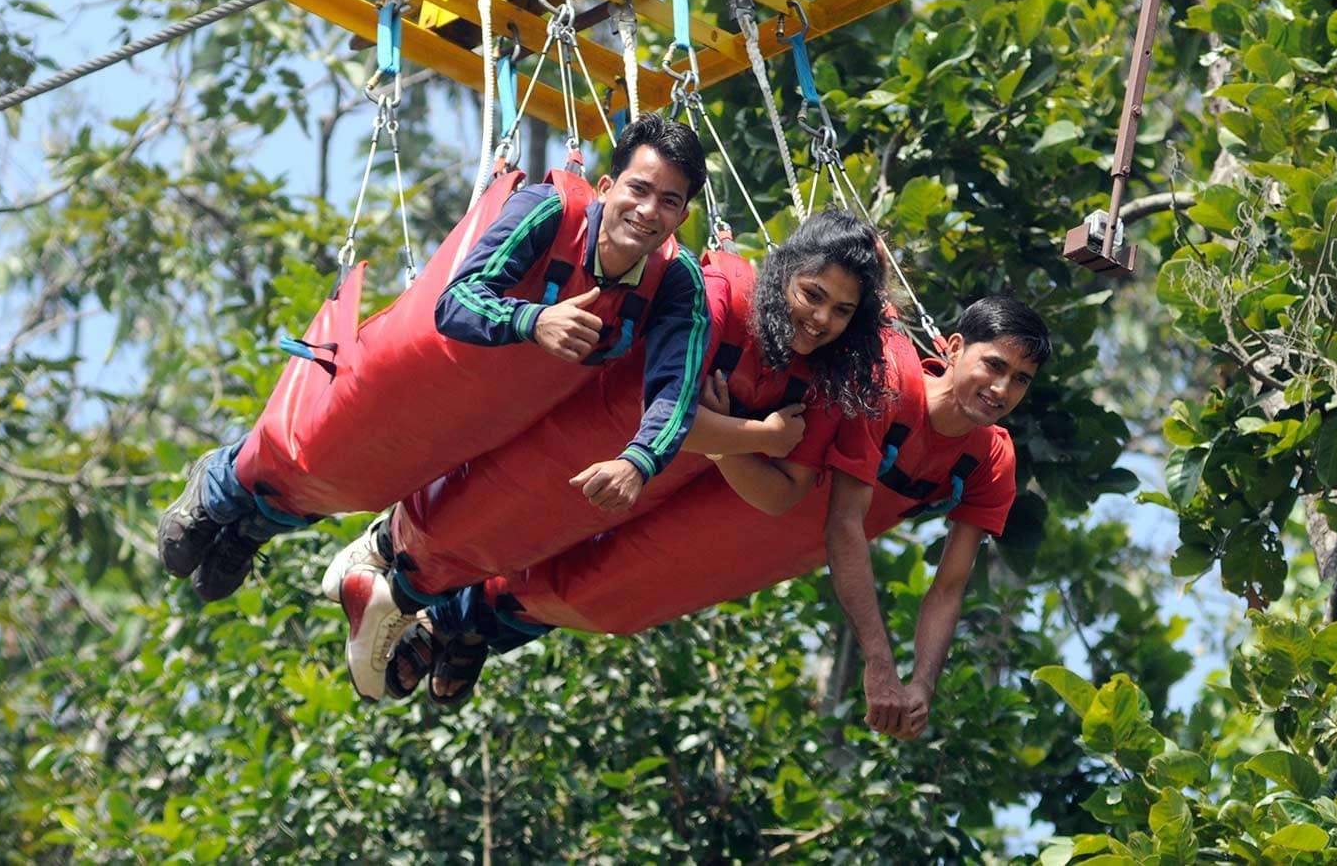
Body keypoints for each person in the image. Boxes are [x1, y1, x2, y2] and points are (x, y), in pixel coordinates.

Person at [404, 294, 1049, 738]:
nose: (1000, 389)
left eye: (1019, 380)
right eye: (994, 365)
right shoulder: (889, 383)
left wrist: (922, 687)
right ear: (956, 346)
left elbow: (951, 585)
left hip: (774, 540)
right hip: (753, 488)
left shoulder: (991, 458)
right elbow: (843, 526)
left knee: (616, 595)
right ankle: (441, 606)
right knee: (605, 538)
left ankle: (477, 629)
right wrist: (881, 667)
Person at [156, 115, 712, 612]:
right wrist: (533, 321)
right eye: (639, 189)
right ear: (608, 187)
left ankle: (249, 530)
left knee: (371, 479)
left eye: (668, 201)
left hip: (486, 416)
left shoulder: (674, 279)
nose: (647, 211)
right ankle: (222, 487)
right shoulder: (550, 212)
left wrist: (641, 460)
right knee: (333, 441)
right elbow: (456, 300)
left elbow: (676, 385)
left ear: (682, 215)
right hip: (427, 372)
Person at [338, 209, 895, 703]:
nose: (821, 320)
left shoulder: (834, 374)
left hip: (647, 487)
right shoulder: (719, 295)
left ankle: (459, 626)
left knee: (590, 580)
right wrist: (760, 436)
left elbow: (780, 494)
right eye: (812, 295)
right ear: (784, 275)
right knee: (497, 520)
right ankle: (391, 571)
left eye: (842, 310)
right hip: (590, 446)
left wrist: (726, 440)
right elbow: (668, 413)